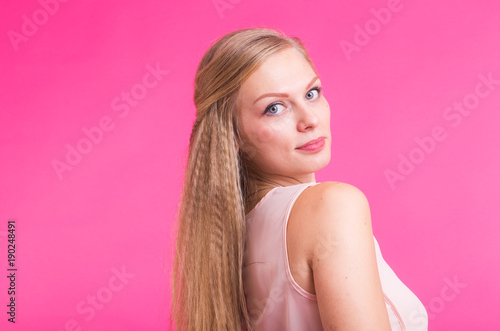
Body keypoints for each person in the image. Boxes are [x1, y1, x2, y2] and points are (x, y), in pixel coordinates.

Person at [170, 27, 428, 331]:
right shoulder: (332, 206)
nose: (310, 120)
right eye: (274, 108)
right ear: (233, 135)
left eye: (311, 93)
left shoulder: (228, 242)